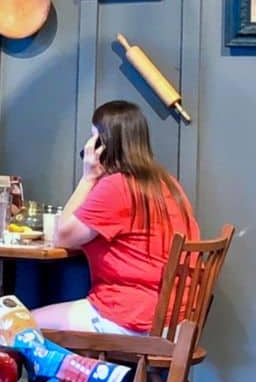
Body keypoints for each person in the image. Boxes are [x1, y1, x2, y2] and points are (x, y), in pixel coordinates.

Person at [32, 101, 198, 334]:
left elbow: (62, 237)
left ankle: (82, 362)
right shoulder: (168, 183)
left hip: (133, 316)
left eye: (93, 138)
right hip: (177, 321)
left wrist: (88, 178)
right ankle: (81, 360)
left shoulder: (118, 186)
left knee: (12, 325)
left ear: (103, 145)